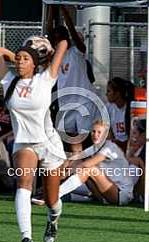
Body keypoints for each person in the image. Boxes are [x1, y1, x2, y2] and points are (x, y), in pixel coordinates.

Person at [0, 35, 68, 242]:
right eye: (17, 59)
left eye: (24, 59)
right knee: (24, 184)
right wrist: (20, 53)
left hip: (49, 144)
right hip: (24, 143)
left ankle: (53, 219)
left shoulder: (45, 78)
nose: (19, 62)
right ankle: (26, 236)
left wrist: (45, 53)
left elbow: (63, 43)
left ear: (35, 63)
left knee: (51, 200)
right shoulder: (9, 81)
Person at [48, 6, 98, 147]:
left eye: (60, 39)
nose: (57, 41)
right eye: (55, 39)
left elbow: (73, 33)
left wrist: (65, 12)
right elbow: (49, 31)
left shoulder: (76, 51)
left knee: (85, 137)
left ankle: (87, 164)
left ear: (67, 39)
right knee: (67, 139)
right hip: (65, 103)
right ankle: (70, 165)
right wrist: (52, 7)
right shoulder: (55, 56)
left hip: (84, 101)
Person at [57, 120, 138, 206]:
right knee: (78, 163)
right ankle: (53, 191)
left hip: (121, 194)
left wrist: (64, 175)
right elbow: (74, 160)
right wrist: (56, 179)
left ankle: (56, 195)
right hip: (104, 194)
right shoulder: (94, 148)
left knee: (89, 169)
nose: (95, 135)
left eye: (99, 132)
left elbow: (86, 165)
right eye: (93, 131)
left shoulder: (110, 147)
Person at [106, 77, 133, 152]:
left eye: (109, 91)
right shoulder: (109, 107)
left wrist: (122, 144)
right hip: (115, 145)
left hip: (128, 147)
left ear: (117, 93)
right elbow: (108, 130)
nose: (106, 94)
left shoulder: (130, 107)